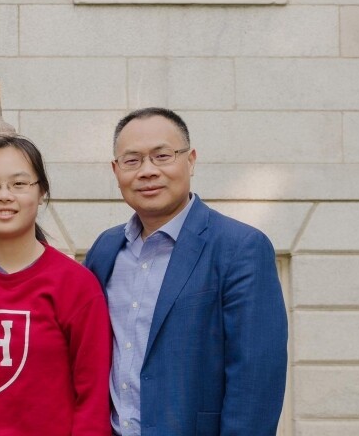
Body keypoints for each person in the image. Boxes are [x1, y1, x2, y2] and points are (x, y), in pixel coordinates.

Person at [83, 108, 288, 436]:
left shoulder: (240, 248)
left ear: (190, 160)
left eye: (162, 156)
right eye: (132, 160)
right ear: (115, 169)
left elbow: (256, 382)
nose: (148, 171)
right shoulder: (105, 250)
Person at [0, 135, 111, 436]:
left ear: (41, 191)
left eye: (19, 184)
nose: (4, 195)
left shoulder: (76, 285)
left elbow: (93, 399)